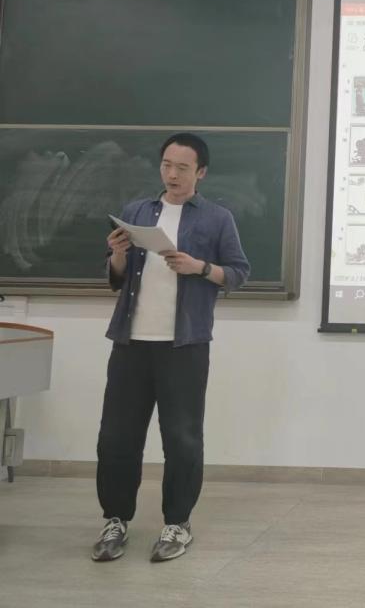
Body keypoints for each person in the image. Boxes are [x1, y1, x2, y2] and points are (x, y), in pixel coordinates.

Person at [91, 133, 250, 563]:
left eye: (182, 167)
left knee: (181, 438)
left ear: (201, 172)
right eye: (166, 165)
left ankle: (177, 523)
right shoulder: (137, 212)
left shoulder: (217, 218)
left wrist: (199, 267)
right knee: (116, 437)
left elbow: (238, 273)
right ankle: (115, 519)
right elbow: (117, 277)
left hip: (184, 345)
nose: (172, 174)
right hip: (131, 342)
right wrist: (117, 254)